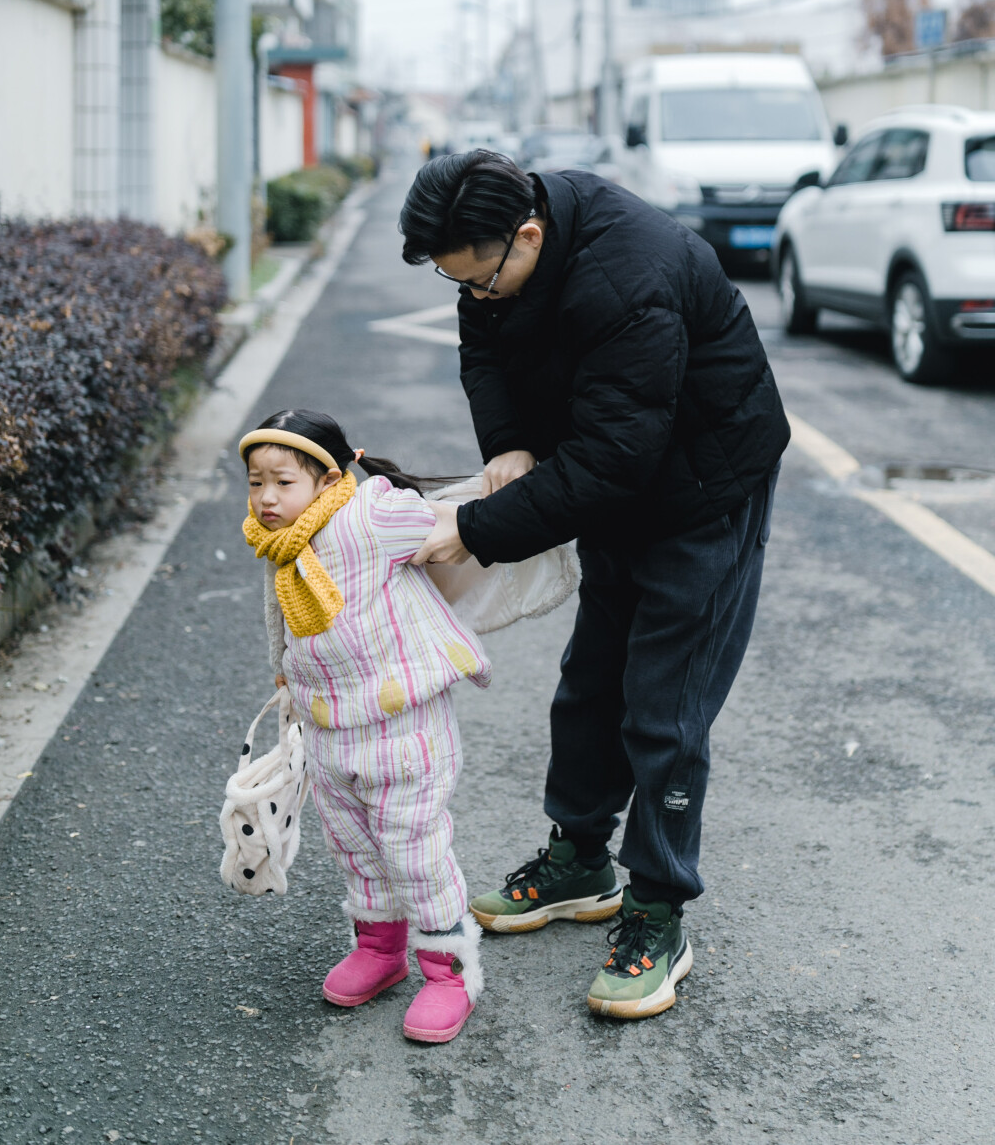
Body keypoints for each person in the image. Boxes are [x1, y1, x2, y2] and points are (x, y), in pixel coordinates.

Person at [400, 150, 789, 1021]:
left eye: (481, 278)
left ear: (528, 235)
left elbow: (616, 459)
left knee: (664, 708)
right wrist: (504, 442)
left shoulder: (630, 276)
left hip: (703, 487)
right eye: (454, 281)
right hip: (619, 473)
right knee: (590, 686)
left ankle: (658, 912)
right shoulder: (498, 256)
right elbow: (483, 346)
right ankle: (581, 863)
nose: (474, 296)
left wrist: (468, 531)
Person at [239, 408, 491, 1045]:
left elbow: (451, 526)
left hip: (402, 728)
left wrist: (510, 490)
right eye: (255, 481)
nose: (267, 497)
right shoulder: (279, 543)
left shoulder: (370, 515)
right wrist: (285, 678)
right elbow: (285, 621)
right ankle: (381, 949)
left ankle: (448, 973)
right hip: (330, 732)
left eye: (283, 481)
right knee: (355, 844)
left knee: (414, 851)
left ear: (330, 478)